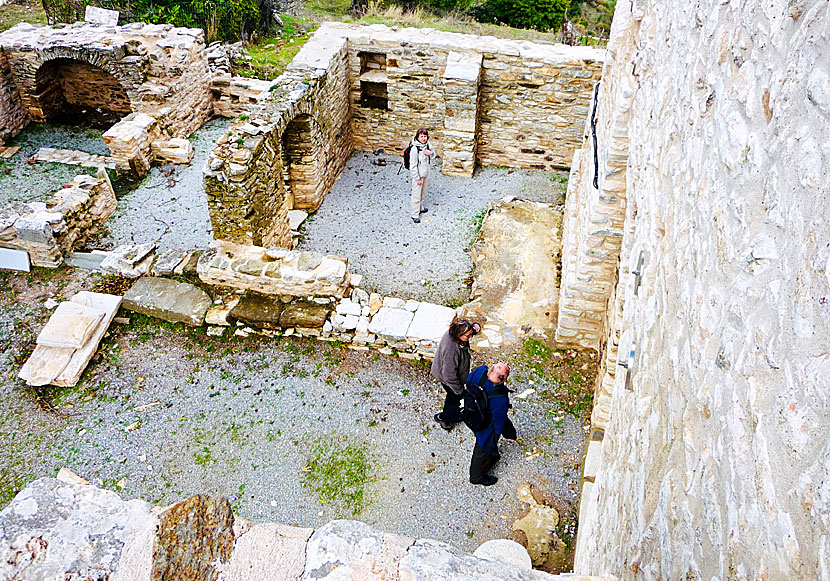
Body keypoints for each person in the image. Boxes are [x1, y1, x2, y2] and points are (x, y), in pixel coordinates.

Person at [430, 317, 480, 430]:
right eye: (468, 336)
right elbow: (449, 376)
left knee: (453, 398)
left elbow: (467, 329)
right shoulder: (451, 350)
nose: (470, 338)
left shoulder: (456, 332)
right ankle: (444, 418)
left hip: (450, 377)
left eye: (471, 334)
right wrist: (459, 391)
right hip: (448, 380)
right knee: (453, 399)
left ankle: (451, 412)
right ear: (458, 335)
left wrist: (475, 327)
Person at [468, 362, 513, 486]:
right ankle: (476, 477)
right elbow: (499, 421)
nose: (506, 363)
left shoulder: (480, 372)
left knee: (485, 443)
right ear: (504, 380)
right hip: (485, 425)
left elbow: (467, 382)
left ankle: (493, 456)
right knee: (484, 446)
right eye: (505, 367)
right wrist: (497, 435)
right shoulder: (500, 399)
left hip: (472, 415)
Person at [408, 127, 434, 224]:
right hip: (418, 175)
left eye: (425, 136)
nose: (423, 138)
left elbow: (434, 155)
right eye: (421, 136)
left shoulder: (427, 145)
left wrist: (430, 153)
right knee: (416, 194)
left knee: (422, 192)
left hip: (425, 173)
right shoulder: (415, 149)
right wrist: (417, 178)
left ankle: (420, 208)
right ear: (417, 137)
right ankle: (415, 214)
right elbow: (413, 165)